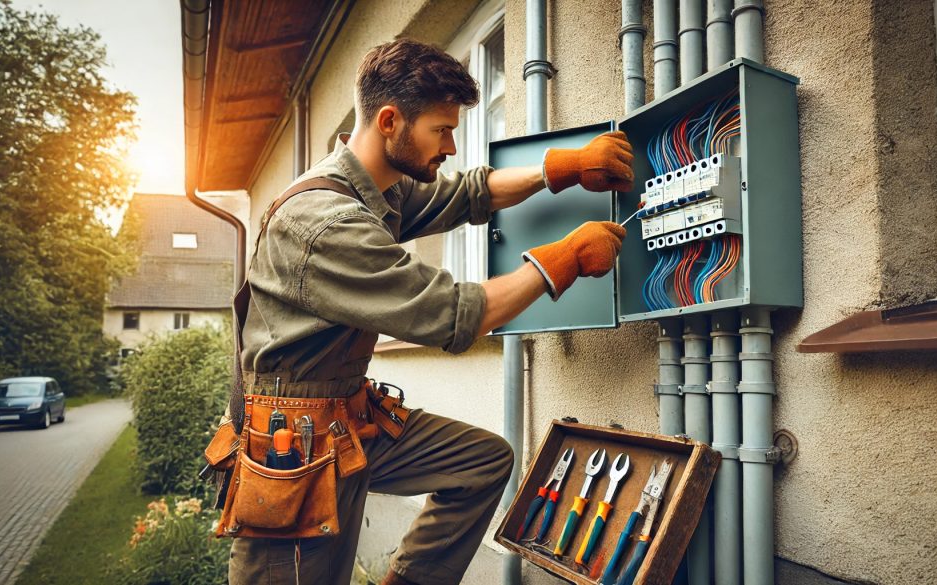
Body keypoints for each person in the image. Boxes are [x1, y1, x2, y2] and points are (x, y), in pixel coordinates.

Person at [226, 37, 634, 585]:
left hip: (348, 421)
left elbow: (468, 194)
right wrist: (563, 259)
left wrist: (561, 169)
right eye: (441, 131)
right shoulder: (325, 224)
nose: (449, 146)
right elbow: (454, 314)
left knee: (481, 463)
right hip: (291, 451)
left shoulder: (378, 188)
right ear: (391, 121)